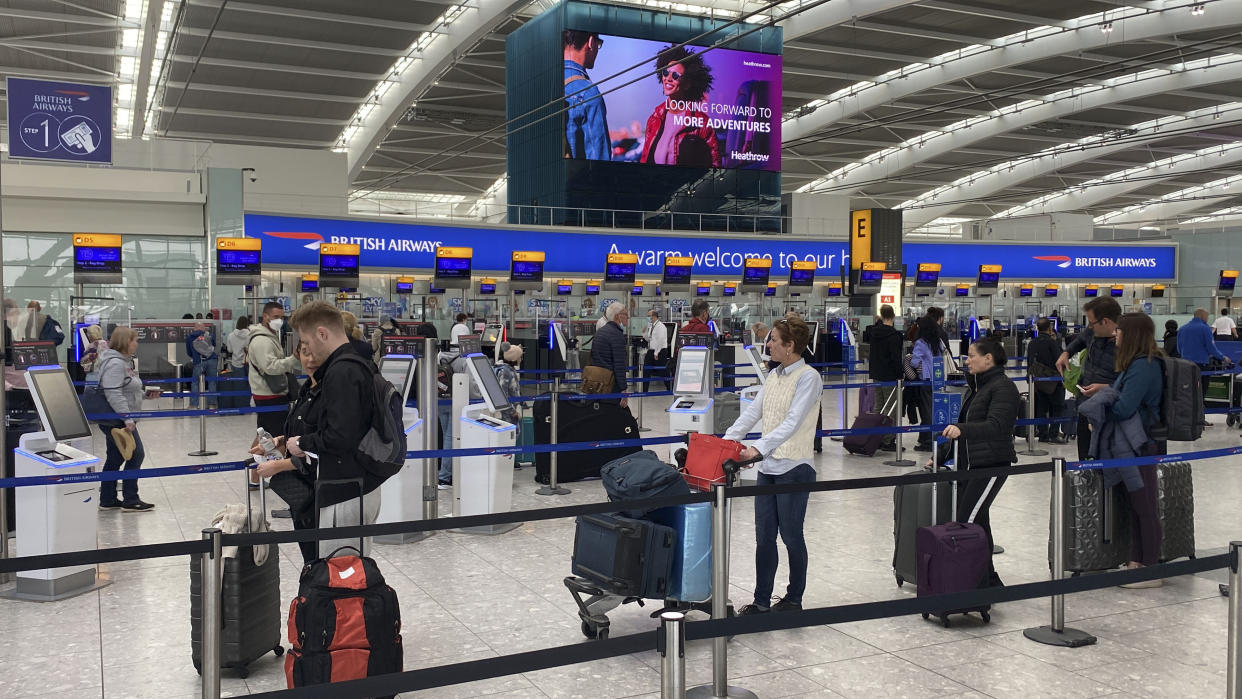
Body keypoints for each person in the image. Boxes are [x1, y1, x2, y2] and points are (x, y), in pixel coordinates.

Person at [725, 317, 820, 615]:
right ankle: (761, 601)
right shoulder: (774, 376)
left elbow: (792, 422)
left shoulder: (808, 377)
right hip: (768, 469)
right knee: (764, 537)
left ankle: (794, 599)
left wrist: (758, 448)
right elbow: (753, 413)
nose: (768, 344)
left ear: (790, 346)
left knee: (791, 536)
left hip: (795, 467)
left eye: (774, 340)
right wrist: (726, 442)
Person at [281, 301, 385, 558]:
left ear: (322, 334)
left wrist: (302, 443)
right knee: (349, 573)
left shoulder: (341, 371)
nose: (308, 350)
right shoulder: (357, 363)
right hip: (358, 487)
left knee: (340, 578)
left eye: (307, 340)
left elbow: (340, 436)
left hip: (345, 491)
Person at [1079, 313, 1165, 588]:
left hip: (1140, 443)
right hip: (1132, 444)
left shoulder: (1143, 366)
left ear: (1132, 335)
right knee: (1136, 505)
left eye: (1119, 331)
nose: (1115, 335)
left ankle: (1150, 567)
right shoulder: (1134, 365)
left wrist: (1103, 408)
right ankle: (1136, 561)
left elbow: (1124, 407)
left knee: (1145, 504)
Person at [927, 338, 1018, 588]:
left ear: (988, 358)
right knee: (979, 523)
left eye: (971, 356)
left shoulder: (1003, 388)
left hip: (990, 464)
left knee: (967, 522)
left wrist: (961, 429)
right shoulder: (976, 387)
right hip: (970, 465)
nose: (967, 361)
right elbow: (961, 426)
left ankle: (977, 581)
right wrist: (941, 455)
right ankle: (988, 580)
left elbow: (996, 426)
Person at [253, 339, 322, 563]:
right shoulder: (305, 390)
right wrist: (276, 442)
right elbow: (300, 433)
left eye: (315, 353)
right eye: (304, 353)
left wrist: (279, 465)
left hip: (320, 491)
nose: (310, 359)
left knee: (319, 558)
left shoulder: (327, 394)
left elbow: (324, 445)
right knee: (309, 555)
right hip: (301, 491)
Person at [96, 326, 159, 512]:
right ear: (125, 342)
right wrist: (127, 418)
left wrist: (144, 395)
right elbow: (113, 393)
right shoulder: (116, 363)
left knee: (114, 458)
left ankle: (107, 499)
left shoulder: (123, 362)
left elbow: (126, 387)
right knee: (136, 454)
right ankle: (131, 499)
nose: (136, 343)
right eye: (133, 340)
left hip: (118, 418)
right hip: (118, 420)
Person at [1056, 296, 1123, 459]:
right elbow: (1080, 340)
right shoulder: (1093, 332)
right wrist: (1066, 352)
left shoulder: (1128, 341)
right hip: (1086, 406)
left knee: (1107, 464)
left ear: (1105, 321)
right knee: (1085, 460)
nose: (1090, 327)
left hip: (1111, 411)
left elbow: (1134, 382)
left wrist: (1106, 388)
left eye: (1092, 323)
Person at [247, 302, 302, 487]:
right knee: (273, 436)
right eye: (276, 316)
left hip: (269, 393)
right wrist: (293, 360)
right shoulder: (262, 340)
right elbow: (270, 367)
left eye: (282, 316)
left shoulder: (268, 336)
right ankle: (258, 476)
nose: (280, 320)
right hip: (269, 394)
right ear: (265, 316)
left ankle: (256, 477)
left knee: (265, 434)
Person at [640, 45, 721, 167]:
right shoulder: (654, 119)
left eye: (675, 75)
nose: (668, 78)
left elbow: (715, 166)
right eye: (666, 72)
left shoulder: (702, 124)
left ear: (687, 84)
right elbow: (644, 160)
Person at [1177, 307, 1233, 426]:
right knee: (1200, 392)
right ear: (1202, 316)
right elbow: (1211, 348)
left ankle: (1187, 418)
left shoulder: (1182, 329)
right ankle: (1199, 419)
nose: (1207, 319)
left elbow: (1178, 348)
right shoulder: (1204, 328)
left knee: (1188, 391)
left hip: (1185, 365)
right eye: (1207, 316)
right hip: (1201, 366)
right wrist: (1223, 357)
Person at [563, 30, 609, 160]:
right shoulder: (588, 94)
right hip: (574, 178)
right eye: (598, 44)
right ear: (590, 42)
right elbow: (600, 163)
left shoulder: (543, 83)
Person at [867, 305, 904, 451]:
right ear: (893, 316)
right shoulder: (895, 336)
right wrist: (900, 374)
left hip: (876, 374)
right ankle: (888, 440)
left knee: (878, 406)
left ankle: (876, 437)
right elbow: (895, 358)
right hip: (889, 376)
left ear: (881, 316)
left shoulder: (874, 333)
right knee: (891, 408)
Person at [1027, 319, 1068, 444]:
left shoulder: (1032, 343)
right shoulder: (1051, 342)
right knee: (1058, 407)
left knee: (1041, 407)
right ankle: (1054, 434)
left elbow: (1029, 362)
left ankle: (1043, 434)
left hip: (1038, 381)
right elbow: (1059, 360)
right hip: (1053, 380)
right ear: (1049, 328)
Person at [910, 315, 941, 451]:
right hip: (938, 379)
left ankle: (927, 441)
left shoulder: (921, 343)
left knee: (926, 411)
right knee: (933, 410)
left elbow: (914, 361)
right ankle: (926, 439)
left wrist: (920, 367)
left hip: (926, 380)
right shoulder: (937, 342)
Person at [590, 302, 629, 406]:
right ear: (618, 316)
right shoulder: (616, 335)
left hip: (598, 381)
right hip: (611, 384)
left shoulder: (600, 332)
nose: (627, 317)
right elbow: (619, 364)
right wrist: (623, 388)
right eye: (625, 314)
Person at [185, 322, 219, 409]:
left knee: (195, 382)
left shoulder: (190, 337)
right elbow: (214, 346)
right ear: (203, 328)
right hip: (212, 360)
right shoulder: (209, 335)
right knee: (212, 382)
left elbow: (189, 352)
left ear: (195, 328)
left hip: (198, 361)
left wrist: (195, 357)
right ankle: (212, 404)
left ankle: (194, 404)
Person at [221, 316, 251, 410]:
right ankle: (246, 405)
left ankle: (239, 406)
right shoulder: (250, 334)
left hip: (236, 363)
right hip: (248, 363)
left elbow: (229, 349)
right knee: (249, 385)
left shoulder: (231, 335)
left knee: (239, 386)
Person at [643, 309, 670, 391]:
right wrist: (644, 333)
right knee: (646, 370)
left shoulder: (661, 326)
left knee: (663, 371)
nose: (648, 317)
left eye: (649, 316)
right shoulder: (651, 326)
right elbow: (649, 339)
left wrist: (656, 352)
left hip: (660, 351)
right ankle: (644, 390)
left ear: (654, 316)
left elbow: (661, 340)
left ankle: (670, 388)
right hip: (651, 350)